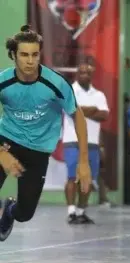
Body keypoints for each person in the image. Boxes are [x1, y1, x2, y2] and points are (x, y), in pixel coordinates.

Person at [0, 25, 91, 241]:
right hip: (7, 141)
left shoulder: (55, 84)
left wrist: (84, 162)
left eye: (35, 54)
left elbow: (78, 117)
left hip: (38, 151)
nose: (30, 61)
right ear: (13, 55)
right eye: (24, 55)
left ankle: (10, 210)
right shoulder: (3, 82)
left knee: (25, 214)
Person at [62, 58, 109, 224]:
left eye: (88, 72)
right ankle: (71, 211)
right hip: (72, 141)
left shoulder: (99, 94)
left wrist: (81, 110)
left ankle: (81, 212)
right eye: (82, 72)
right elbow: (71, 112)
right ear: (77, 74)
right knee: (72, 177)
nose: (85, 75)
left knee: (88, 179)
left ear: (92, 74)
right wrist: (92, 110)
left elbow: (104, 115)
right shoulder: (69, 92)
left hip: (93, 144)